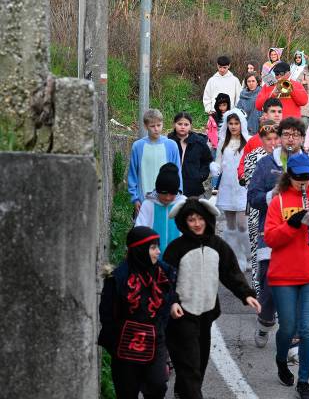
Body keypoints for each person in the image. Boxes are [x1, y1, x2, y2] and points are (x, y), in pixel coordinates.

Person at [164, 198, 260, 399]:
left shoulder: (218, 245)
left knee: (200, 361)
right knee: (189, 364)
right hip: (182, 316)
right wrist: (172, 302)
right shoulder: (176, 248)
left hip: (206, 314)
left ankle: (183, 390)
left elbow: (231, 272)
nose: (197, 224)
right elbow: (165, 281)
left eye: (200, 218)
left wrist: (246, 294)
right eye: (191, 220)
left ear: (207, 219)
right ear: (184, 222)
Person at [264, 154, 309, 399]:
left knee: (307, 330)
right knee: (287, 328)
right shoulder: (278, 202)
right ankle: (281, 360)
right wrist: (292, 224)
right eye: (298, 178)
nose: (303, 182)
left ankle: (304, 381)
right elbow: (270, 238)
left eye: (307, 178)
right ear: (290, 177)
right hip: (284, 275)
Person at [98, 226, 176, 399]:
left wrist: (173, 304)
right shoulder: (118, 278)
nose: (158, 252)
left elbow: (171, 295)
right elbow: (106, 313)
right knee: (127, 392)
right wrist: (115, 341)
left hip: (155, 340)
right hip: (124, 345)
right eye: (153, 248)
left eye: (157, 247)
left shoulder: (164, 273)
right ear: (140, 249)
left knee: (157, 386)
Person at [239, 121, 279, 344]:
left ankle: (272, 303)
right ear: (261, 140)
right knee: (259, 257)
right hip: (259, 212)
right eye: (268, 140)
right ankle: (260, 297)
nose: (272, 143)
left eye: (275, 139)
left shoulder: (285, 158)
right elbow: (249, 185)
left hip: (280, 214)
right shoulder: (255, 157)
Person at [209, 110, 251, 272]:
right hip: (227, 187)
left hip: (242, 187)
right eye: (230, 123)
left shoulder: (248, 141)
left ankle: (249, 255)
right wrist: (215, 168)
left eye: (236, 123)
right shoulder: (223, 142)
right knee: (231, 226)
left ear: (242, 124)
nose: (233, 126)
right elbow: (218, 162)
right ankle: (236, 258)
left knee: (242, 224)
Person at [128, 109, 182, 214]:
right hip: (143, 200)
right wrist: (135, 198)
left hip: (168, 199)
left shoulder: (171, 145)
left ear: (163, 124)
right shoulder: (138, 146)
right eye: (152, 126)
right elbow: (133, 173)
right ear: (145, 126)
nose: (156, 129)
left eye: (159, 125)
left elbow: (177, 172)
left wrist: (178, 193)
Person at [135, 163, 186, 256]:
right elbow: (139, 230)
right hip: (153, 259)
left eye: (172, 193)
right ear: (157, 190)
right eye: (164, 193)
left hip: (178, 258)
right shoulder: (148, 204)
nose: (167, 197)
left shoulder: (183, 204)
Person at [168, 112, 212, 198]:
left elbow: (207, 161)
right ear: (174, 124)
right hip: (172, 188)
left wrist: (200, 176)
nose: (183, 127)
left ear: (190, 126)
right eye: (180, 124)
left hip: (194, 189)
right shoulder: (169, 142)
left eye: (186, 124)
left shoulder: (199, 142)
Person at [237, 98, 281, 181]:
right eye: (273, 111)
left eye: (279, 111)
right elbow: (243, 163)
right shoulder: (254, 140)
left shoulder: (288, 138)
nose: (277, 115)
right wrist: (243, 176)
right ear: (265, 115)